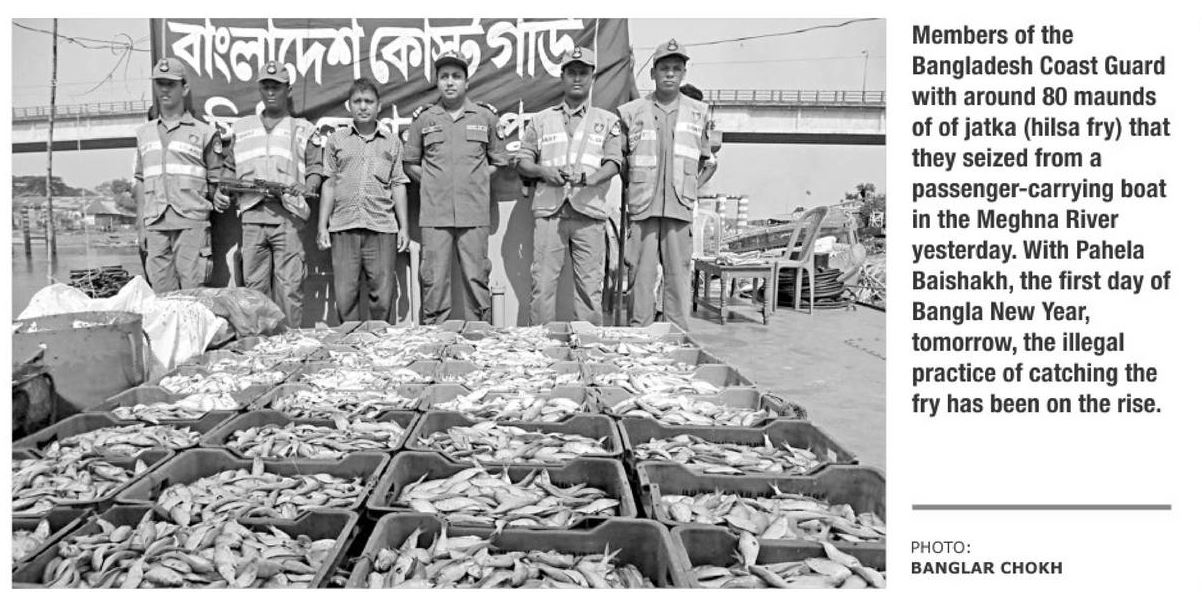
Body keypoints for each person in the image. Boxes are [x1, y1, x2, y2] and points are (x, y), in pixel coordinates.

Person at [515, 47, 622, 324]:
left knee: (589, 288)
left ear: (592, 78)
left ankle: (588, 343)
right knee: (542, 286)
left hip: (589, 214)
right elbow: (522, 161)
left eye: (583, 73)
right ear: (562, 77)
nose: (577, 78)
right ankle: (541, 343)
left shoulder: (607, 121)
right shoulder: (540, 120)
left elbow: (614, 163)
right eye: (571, 72)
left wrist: (589, 179)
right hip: (550, 213)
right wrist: (543, 171)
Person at [403, 50, 507, 325]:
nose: (450, 82)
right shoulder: (424, 119)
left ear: (466, 82)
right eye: (444, 76)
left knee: (476, 278)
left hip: (474, 212)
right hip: (434, 214)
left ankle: (479, 334)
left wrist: (476, 179)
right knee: (434, 280)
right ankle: (435, 337)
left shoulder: (485, 117)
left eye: (456, 76)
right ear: (437, 82)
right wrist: (433, 181)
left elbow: (498, 161)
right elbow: (410, 162)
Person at [618, 40, 714, 330]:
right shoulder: (633, 111)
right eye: (664, 68)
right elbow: (622, 160)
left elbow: (704, 159)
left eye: (676, 68)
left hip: (678, 208)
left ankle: (677, 338)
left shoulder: (699, 112)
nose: (669, 74)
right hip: (643, 207)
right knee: (641, 279)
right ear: (653, 73)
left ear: (684, 73)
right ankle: (639, 338)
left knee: (678, 279)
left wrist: (690, 188)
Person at [225, 61, 323, 328]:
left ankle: (289, 344)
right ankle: (260, 345)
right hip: (252, 217)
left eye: (276, 87)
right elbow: (228, 169)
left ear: (288, 90)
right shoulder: (242, 128)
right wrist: (226, 191)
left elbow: (316, 168)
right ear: (259, 89)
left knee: (289, 289)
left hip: (288, 218)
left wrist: (309, 186)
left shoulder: (303, 128)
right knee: (254, 292)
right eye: (266, 86)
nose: (271, 92)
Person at [316, 78, 410, 323]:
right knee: (345, 296)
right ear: (349, 105)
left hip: (382, 227)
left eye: (369, 101)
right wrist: (322, 226)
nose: (363, 106)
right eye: (357, 101)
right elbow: (329, 183)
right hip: (344, 226)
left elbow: (398, 184)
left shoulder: (392, 142)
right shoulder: (337, 140)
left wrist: (404, 228)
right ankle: (350, 343)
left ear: (379, 106)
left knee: (382, 297)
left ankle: (379, 342)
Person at [133, 57, 229, 293]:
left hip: (191, 223)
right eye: (160, 83)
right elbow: (141, 180)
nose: (164, 90)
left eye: (171, 84)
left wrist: (219, 195)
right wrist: (141, 225)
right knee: (161, 299)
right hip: (155, 224)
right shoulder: (144, 133)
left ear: (184, 88)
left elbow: (216, 180)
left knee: (193, 296)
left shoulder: (205, 133)